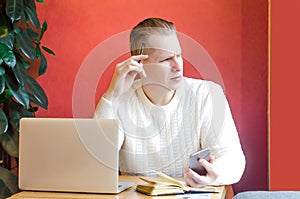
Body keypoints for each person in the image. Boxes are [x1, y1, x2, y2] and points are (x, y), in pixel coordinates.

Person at [94, 18, 245, 187]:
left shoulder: (207, 94)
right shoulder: (120, 100)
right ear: (140, 63)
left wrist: (213, 176)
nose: (178, 66)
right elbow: (95, 163)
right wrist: (111, 96)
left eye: (178, 55)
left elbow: (232, 157)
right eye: (166, 59)